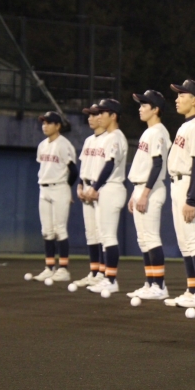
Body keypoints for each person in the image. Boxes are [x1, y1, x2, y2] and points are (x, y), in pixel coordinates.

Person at [164, 80, 195, 308]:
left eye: (181, 95)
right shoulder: (187, 126)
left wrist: (191, 198)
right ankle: (192, 289)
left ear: (194, 100)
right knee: (185, 243)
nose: (177, 99)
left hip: (189, 185)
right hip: (179, 184)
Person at [126, 90, 172, 301]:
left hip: (151, 190)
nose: (140, 108)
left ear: (155, 109)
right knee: (143, 239)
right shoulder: (149, 132)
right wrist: (135, 194)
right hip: (142, 188)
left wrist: (144, 194)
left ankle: (159, 285)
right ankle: (150, 282)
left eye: (144, 105)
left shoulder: (158, 132)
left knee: (151, 237)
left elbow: (157, 164)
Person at [83, 99, 129, 295]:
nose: (99, 115)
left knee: (108, 236)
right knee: (103, 235)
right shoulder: (109, 137)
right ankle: (106, 277)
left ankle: (111, 280)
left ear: (113, 116)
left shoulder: (116, 137)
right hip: (106, 188)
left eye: (103, 112)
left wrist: (94, 187)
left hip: (111, 187)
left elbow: (109, 164)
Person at [33, 111, 78, 282]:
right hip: (44, 189)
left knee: (60, 229)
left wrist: (67, 189)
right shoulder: (42, 145)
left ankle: (63, 269)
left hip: (59, 188)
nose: (45, 126)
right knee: (47, 231)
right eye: (43, 123)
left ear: (58, 126)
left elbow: (74, 171)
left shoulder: (64, 145)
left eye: (49, 123)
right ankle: (49, 267)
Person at [73, 104, 107, 288]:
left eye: (94, 115)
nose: (90, 118)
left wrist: (94, 188)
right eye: (89, 115)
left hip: (99, 189)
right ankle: (94, 272)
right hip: (86, 187)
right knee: (91, 234)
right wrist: (79, 185)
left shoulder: (109, 139)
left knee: (102, 233)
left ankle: (103, 273)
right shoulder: (88, 141)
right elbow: (83, 167)